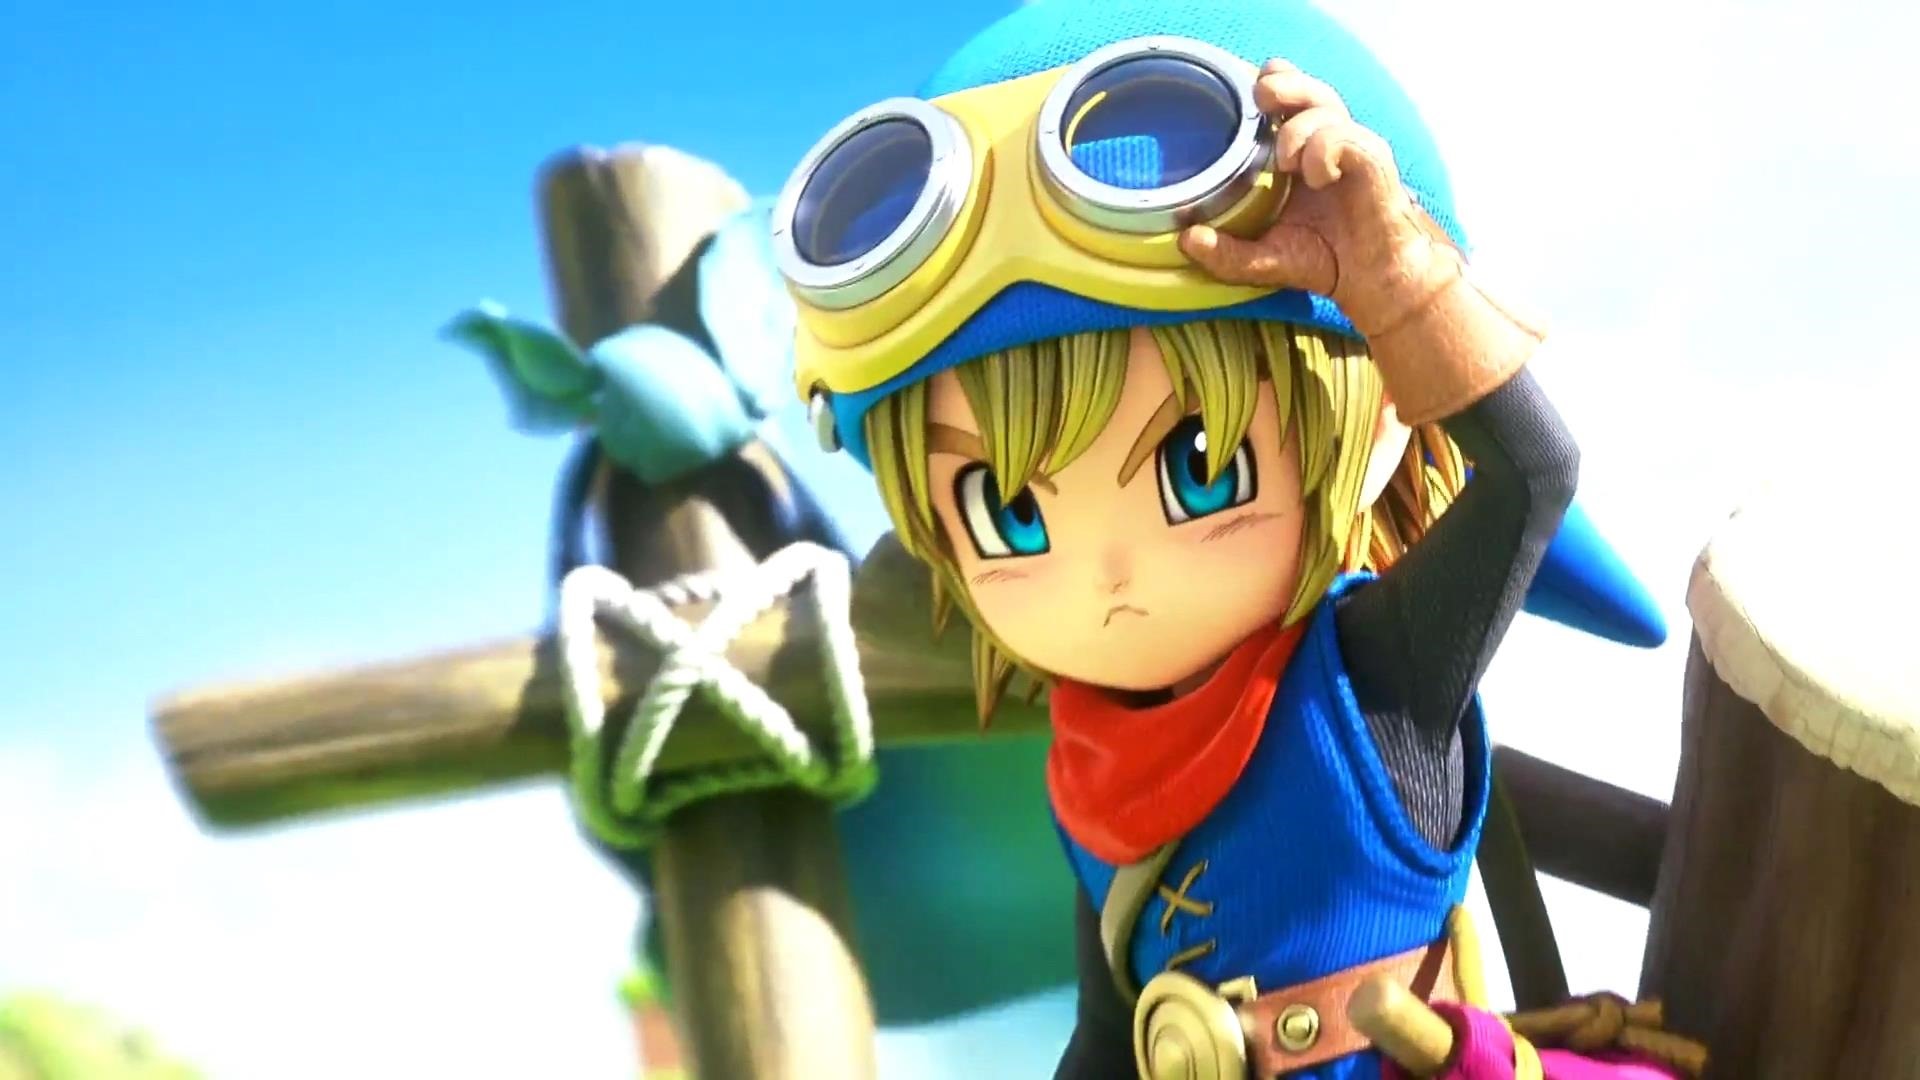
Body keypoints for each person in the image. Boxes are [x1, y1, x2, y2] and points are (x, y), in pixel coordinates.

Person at [770, 1, 1687, 1076]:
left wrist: (1398, 287)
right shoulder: (1092, 766)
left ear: (1379, 428)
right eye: (1008, 513)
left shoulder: (1371, 681)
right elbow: (1109, 1034)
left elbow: (1532, 477)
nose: (1108, 572)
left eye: (1200, 471)